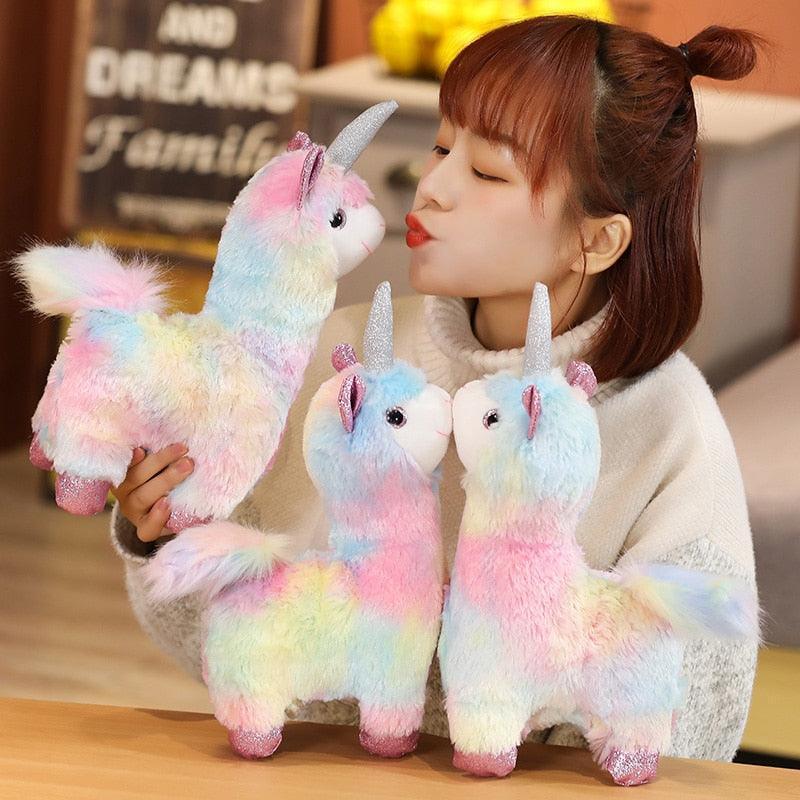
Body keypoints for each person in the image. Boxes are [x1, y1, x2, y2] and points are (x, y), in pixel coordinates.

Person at [109, 16, 770, 762]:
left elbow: (688, 722)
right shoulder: (344, 365)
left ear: (597, 238)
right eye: (441, 146)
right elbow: (237, 648)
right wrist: (162, 531)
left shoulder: (670, 424)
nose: (434, 186)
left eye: (487, 173)